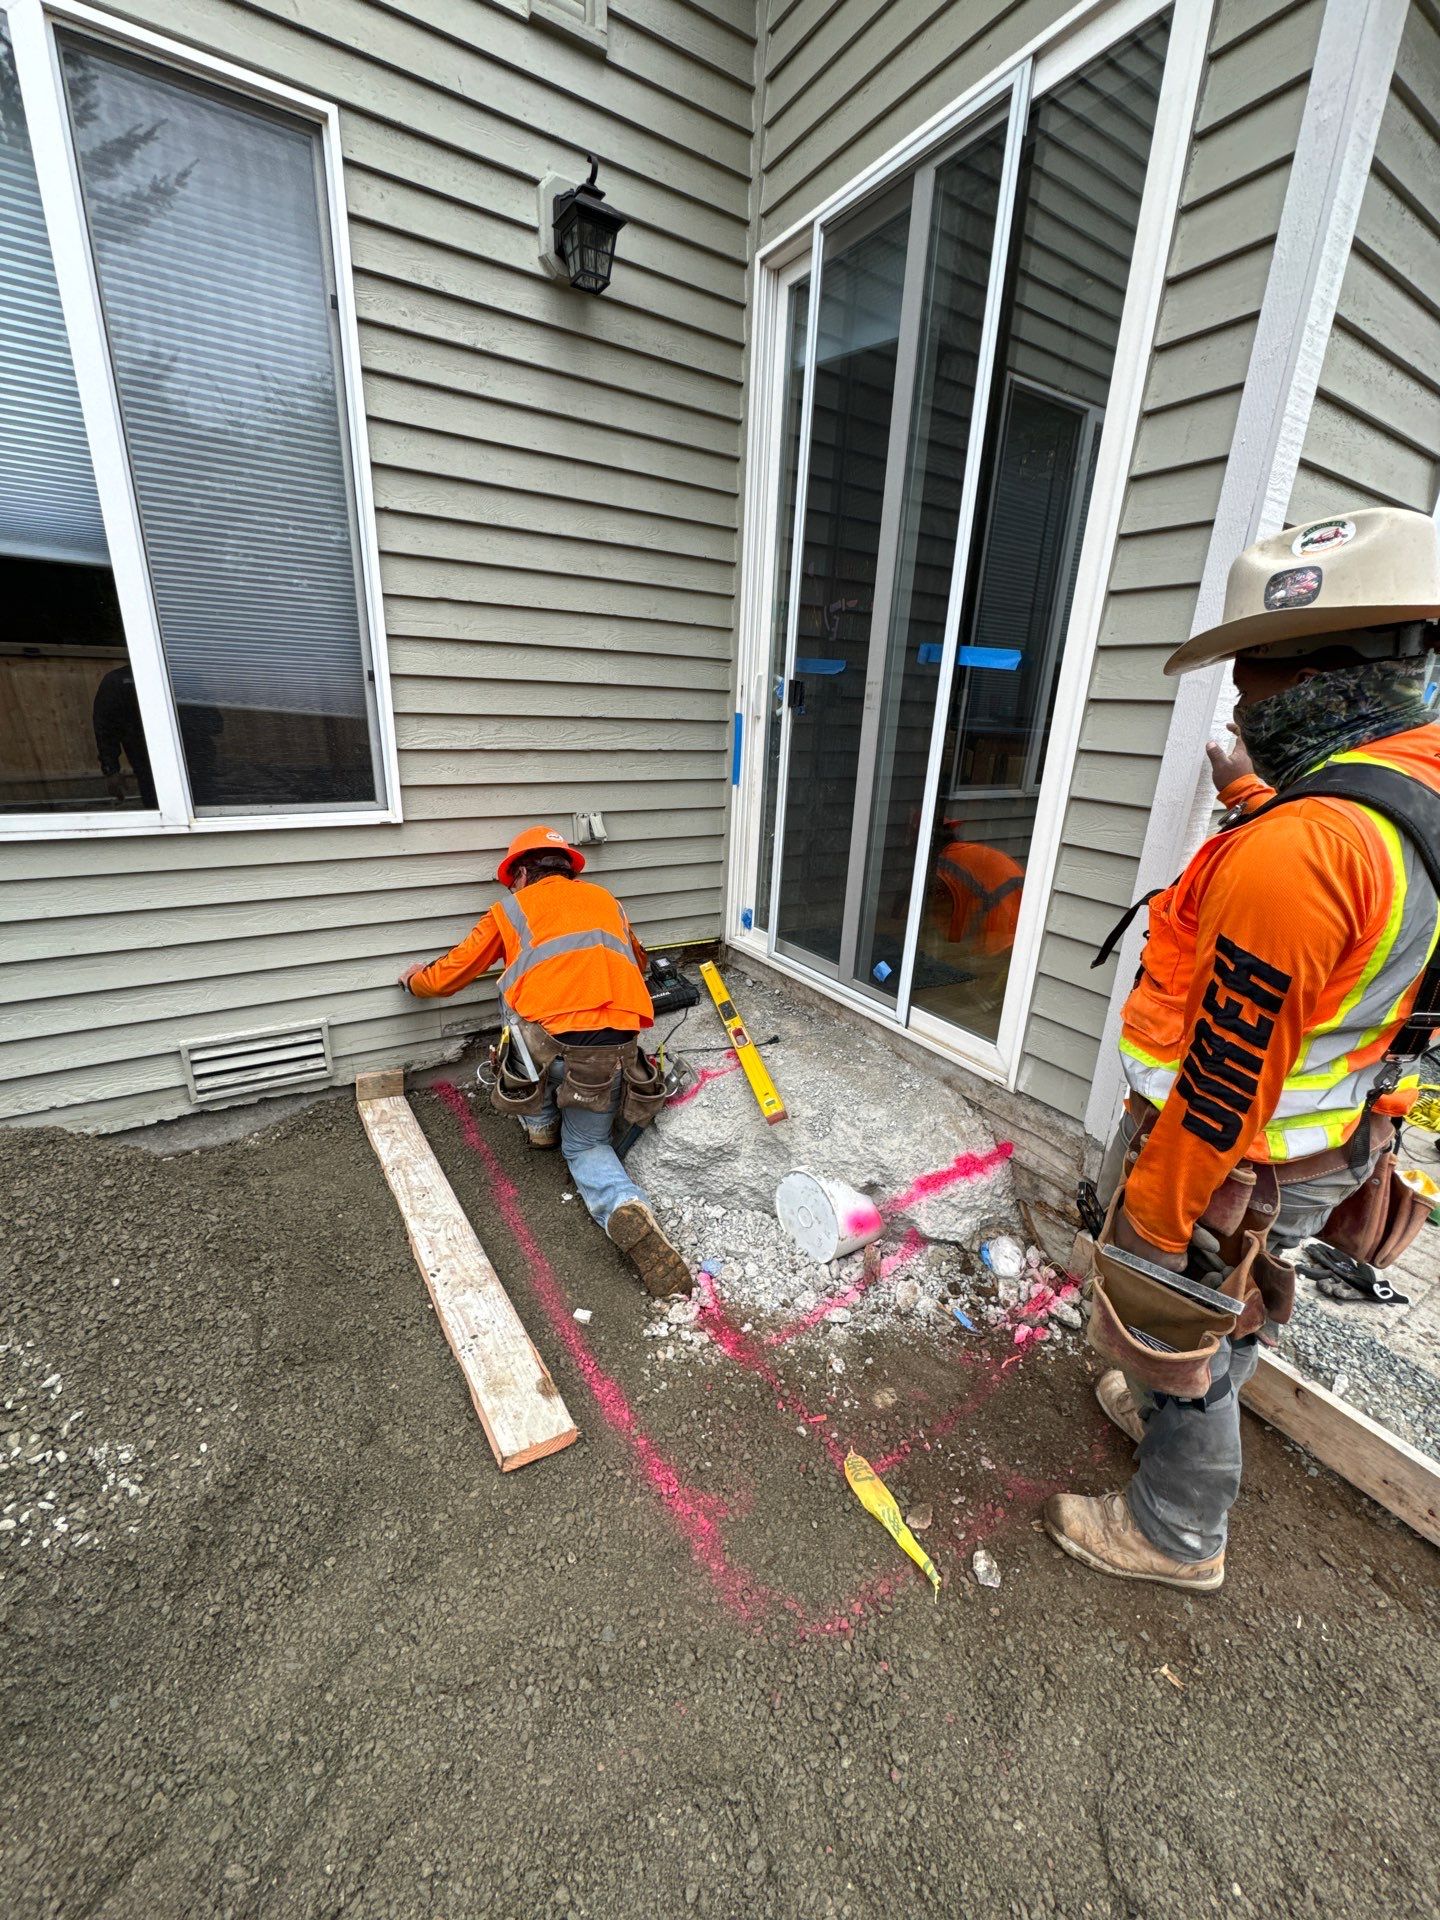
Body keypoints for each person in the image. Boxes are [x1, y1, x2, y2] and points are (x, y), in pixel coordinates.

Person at [1045, 506, 1440, 1591]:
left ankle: (1176, 1527)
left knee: (1188, 1321)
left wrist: (1154, 1227)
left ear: (1322, 673)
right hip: (1333, 1140)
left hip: (1237, 1160)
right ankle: (1172, 1409)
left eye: (1250, 675)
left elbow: (1221, 1083)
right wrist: (1251, 800)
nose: (1236, 700)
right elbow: (1358, 918)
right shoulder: (1405, 795)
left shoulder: (1304, 854)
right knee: (1237, 1308)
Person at [399, 824, 692, 1298]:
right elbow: (637, 965)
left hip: (548, 1052)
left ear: (518, 874)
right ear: (567, 871)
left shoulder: (509, 909)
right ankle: (623, 1205)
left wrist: (414, 980)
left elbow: (447, 978)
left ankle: (538, 1122)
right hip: (614, 1055)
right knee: (586, 1147)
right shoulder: (608, 902)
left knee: (511, 1000)